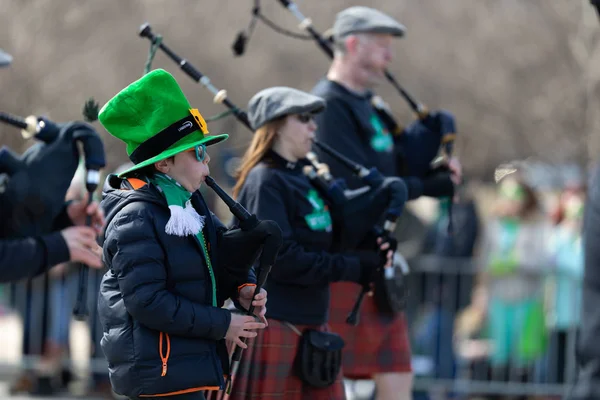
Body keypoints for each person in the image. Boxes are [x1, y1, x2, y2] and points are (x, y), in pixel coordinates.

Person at [310, 6, 460, 399]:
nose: (389, 56)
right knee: (333, 382)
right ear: (353, 45)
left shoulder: (373, 105)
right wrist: (423, 187)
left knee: (398, 376)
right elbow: (357, 188)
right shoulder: (327, 107)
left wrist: (431, 156)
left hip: (380, 263)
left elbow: (396, 166)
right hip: (346, 262)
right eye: (381, 46)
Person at [96, 69, 268, 400]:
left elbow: (221, 253)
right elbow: (148, 302)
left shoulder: (192, 202)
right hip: (158, 374)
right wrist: (223, 323)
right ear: (163, 164)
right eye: (197, 153)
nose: (207, 165)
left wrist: (244, 287)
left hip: (192, 365)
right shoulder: (136, 218)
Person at [212, 86, 392, 400]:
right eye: (304, 118)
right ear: (277, 125)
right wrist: (353, 268)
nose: (313, 126)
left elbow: (332, 241)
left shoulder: (306, 179)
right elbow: (283, 259)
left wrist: (373, 246)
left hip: (313, 326)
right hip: (273, 325)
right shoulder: (265, 180)